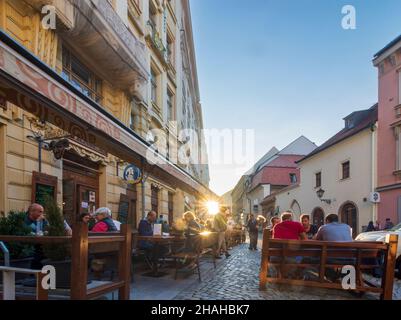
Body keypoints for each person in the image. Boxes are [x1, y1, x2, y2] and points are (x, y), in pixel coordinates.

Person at [24, 203, 48, 269]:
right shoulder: (25, 220)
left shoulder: (43, 220)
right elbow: (29, 231)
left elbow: (48, 229)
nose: (42, 213)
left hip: (42, 244)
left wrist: (46, 231)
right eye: (40, 211)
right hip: (29, 246)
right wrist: (38, 222)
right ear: (32, 212)